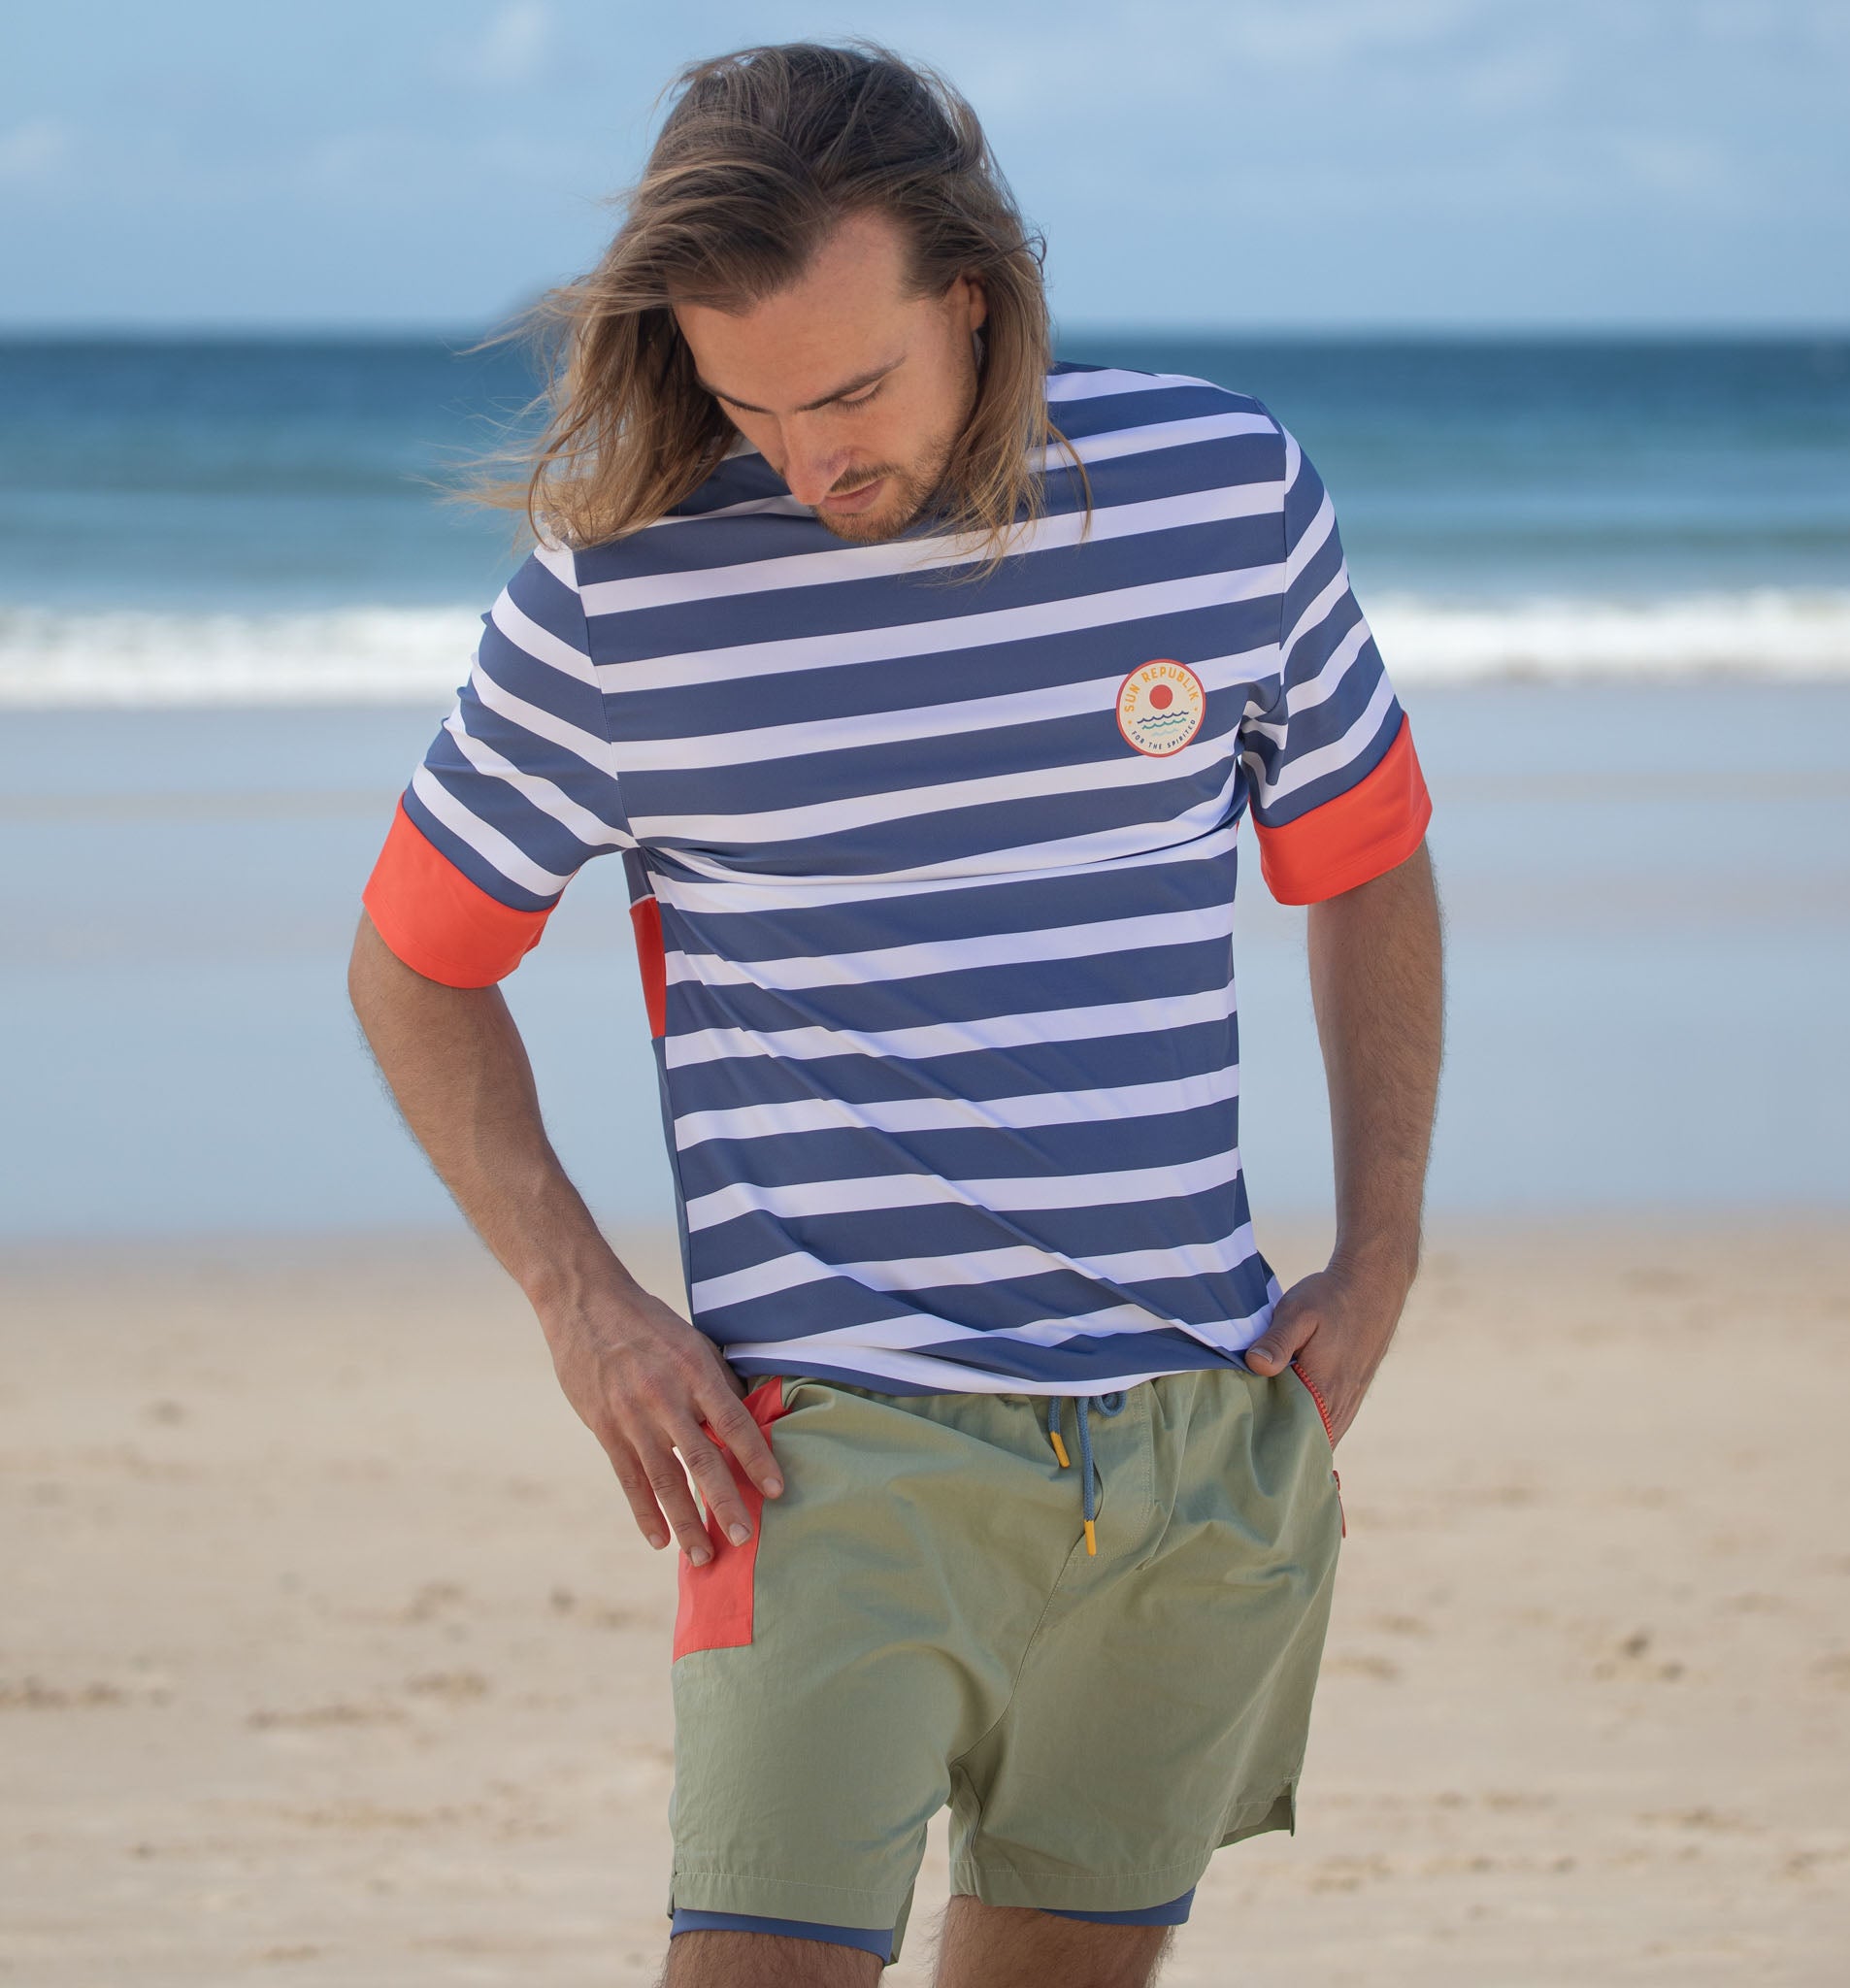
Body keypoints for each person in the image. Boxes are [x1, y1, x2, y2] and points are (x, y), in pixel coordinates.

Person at [348, 40, 1443, 1988]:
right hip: (823, 1452)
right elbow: (415, 963)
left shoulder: (1222, 492)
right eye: (747, 403)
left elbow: (1361, 854)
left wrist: (1381, 1244)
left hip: (1195, 1438)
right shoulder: (620, 606)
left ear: (975, 291)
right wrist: (586, 1308)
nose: (811, 459)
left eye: (853, 388)